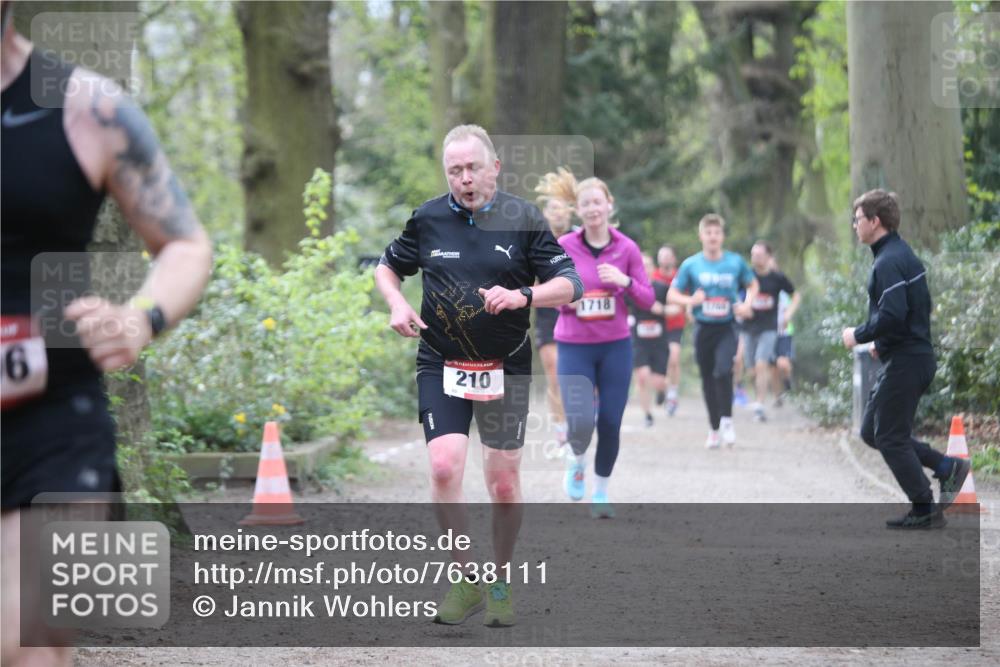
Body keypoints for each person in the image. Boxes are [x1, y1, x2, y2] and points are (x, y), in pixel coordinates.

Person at [1, 9, 213, 664]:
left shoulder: (87, 107)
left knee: (25, 641)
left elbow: (184, 241)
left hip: (51, 420)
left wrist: (139, 318)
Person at [375, 125, 582, 625]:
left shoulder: (524, 219)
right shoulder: (427, 218)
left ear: (494, 168)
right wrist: (397, 303)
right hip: (440, 361)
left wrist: (523, 296)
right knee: (445, 466)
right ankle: (464, 581)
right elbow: (387, 267)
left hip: (504, 364)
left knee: (503, 482)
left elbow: (570, 282)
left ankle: (501, 581)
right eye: (454, 171)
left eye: (472, 168)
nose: (464, 179)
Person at [842, 189, 970, 529]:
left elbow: (894, 313)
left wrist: (859, 333)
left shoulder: (888, 261)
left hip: (909, 361)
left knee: (889, 437)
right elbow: (914, 311)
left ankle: (924, 507)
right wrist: (882, 344)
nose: (854, 225)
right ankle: (947, 467)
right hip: (906, 356)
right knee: (872, 431)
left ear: (874, 221)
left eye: (857, 219)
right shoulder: (897, 255)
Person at [554, 176, 654, 517]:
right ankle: (576, 460)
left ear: (609, 204)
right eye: (586, 204)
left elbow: (648, 297)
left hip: (615, 346)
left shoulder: (627, 248)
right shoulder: (565, 245)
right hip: (574, 345)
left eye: (598, 202)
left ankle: (601, 493)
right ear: (577, 210)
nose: (593, 209)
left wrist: (624, 282)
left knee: (610, 421)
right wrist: (570, 300)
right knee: (581, 422)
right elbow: (551, 290)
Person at [668, 214, 757, 449]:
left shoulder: (735, 262)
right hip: (703, 327)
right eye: (708, 233)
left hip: (727, 326)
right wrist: (690, 300)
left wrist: (747, 304)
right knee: (708, 377)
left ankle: (727, 421)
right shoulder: (691, 264)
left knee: (722, 370)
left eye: (717, 233)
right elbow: (672, 294)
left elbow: (752, 284)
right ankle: (714, 428)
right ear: (701, 236)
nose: (713, 237)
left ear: (722, 236)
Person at [533, 168, 576, 455]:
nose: (558, 214)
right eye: (553, 209)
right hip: (549, 311)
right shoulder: (537, 239)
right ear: (546, 213)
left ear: (570, 214)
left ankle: (582, 419)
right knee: (554, 371)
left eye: (563, 209)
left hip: (579, 312)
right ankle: (561, 431)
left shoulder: (579, 239)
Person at [741, 241, 796, 422]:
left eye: (758, 254)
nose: (755, 258)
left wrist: (788, 313)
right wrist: (742, 307)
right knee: (752, 368)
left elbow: (795, 294)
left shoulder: (777, 277)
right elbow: (733, 293)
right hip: (749, 328)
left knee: (761, 363)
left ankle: (759, 405)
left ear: (768, 256)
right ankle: (759, 396)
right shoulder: (746, 275)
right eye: (753, 254)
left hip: (769, 328)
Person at [629, 254, 670, 427]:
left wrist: (662, 309)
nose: (645, 269)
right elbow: (621, 308)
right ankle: (647, 415)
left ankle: (663, 391)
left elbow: (678, 308)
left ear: (654, 268)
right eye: (641, 266)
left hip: (659, 341)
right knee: (643, 377)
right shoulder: (631, 289)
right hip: (639, 340)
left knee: (658, 381)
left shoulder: (662, 288)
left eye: (648, 265)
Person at [652, 245, 687, 416]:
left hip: (675, 324)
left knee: (674, 357)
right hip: (655, 325)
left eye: (668, 256)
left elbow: (687, 298)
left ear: (674, 259)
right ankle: (661, 388)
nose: (665, 259)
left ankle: (672, 394)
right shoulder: (653, 275)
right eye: (661, 256)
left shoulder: (680, 277)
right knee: (656, 365)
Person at [771, 256, 800, 406]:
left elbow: (796, 297)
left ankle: (788, 384)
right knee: (773, 368)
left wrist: (788, 313)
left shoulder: (783, 288)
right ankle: (778, 397)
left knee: (783, 364)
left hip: (784, 332)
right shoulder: (761, 286)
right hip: (769, 331)